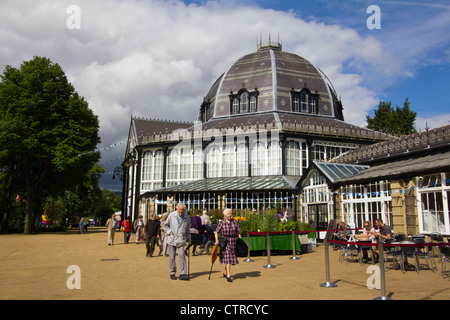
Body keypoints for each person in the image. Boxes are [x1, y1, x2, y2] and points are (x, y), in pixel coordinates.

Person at [163, 204, 191, 280]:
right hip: (172, 239)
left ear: (184, 210)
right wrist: (169, 232)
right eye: (179, 209)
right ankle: (172, 272)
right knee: (172, 257)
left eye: (182, 209)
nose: (181, 211)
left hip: (181, 239)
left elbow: (188, 229)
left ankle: (183, 273)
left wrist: (188, 237)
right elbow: (165, 226)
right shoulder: (172, 215)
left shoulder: (187, 217)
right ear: (177, 209)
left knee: (182, 255)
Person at [214, 208, 241, 282]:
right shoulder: (222, 222)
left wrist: (240, 239)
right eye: (228, 213)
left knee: (230, 258)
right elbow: (217, 232)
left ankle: (225, 272)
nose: (230, 215)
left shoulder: (234, 222)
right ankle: (228, 275)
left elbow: (238, 231)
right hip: (224, 241)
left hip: (233, 241)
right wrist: (216, 241)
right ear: (225, 215)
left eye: (230, 213)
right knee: (228, 257)